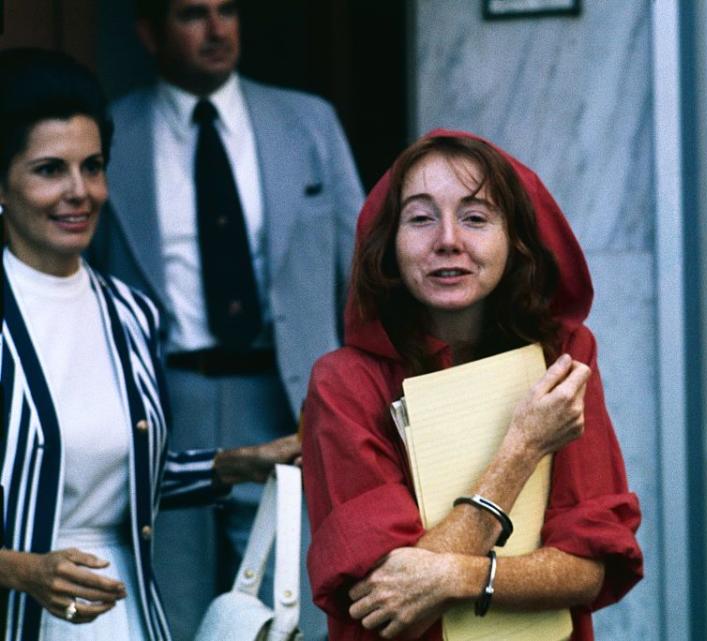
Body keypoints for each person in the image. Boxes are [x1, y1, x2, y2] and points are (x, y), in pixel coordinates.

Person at [0, 48, 300, 641]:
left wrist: (235, 465)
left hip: (125, 611)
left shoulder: (131, 313)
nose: (79, 191)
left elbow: (125, 477)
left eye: (93, 166)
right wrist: (22, 569)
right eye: (49, 169)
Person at [87, 0, 364, 636]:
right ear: (149, 34)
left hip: (285, 397)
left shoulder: (307, 122)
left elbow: (363, 272)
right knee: (171, 609)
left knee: (287, 609)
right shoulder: (110, 133)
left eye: (228, 10)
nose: (217, 30)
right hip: (163, 405)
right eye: (191, 14)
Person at [301, 130, 643, 640]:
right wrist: (523, 448)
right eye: (420, 218)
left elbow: (588, 566)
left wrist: (460, 575)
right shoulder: (344, 383)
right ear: (388, 245)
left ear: (516, 240)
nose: (447, 240)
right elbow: (393, 602)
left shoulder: (562, 358)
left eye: (476, 217)